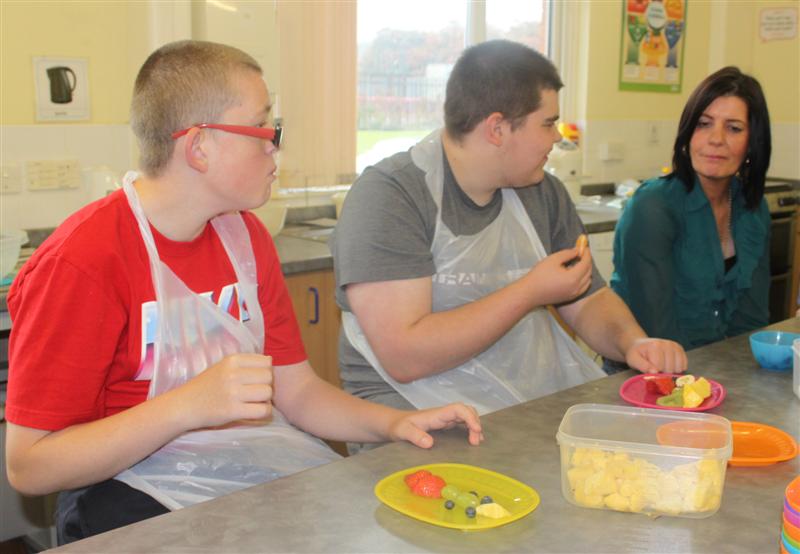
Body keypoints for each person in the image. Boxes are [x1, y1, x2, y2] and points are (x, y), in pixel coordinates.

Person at [4, 40, 483, 544]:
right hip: (120, 489)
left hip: (235, 468)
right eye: (263, 129)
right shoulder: (83, 261)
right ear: (200, 147)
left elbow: (296, 392)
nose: (275, 146)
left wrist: (396, 424)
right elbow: (31, 466)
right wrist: (188, 405)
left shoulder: (245, 238)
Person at [330, 40, 686, 452]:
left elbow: (588, 300)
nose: (556, 138)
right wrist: (530, 292)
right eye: (548, 123)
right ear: (497, 128)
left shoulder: (542, 192)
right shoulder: (391, 197)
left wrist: (632, 343)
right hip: (410, 414)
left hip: (519, 398)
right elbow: (405, 357)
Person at [611, 66, 772, 351]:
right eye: (703, 123)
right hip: (647, 374)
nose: (716, 139)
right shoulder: (653, 206)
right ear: (688, 133)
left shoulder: (752, 209)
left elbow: (752, 321)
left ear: (752, 144)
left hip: (719, 373)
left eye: (733, 128)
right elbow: (657, 330)